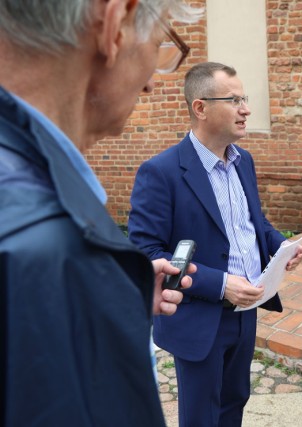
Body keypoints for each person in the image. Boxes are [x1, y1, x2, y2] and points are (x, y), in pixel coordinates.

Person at [0, 0, 202, 425]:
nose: (151, 84)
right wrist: (87, 292)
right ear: (115, 25)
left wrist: (112, 302)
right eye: (161, 42)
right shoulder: (52, 247)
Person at [128, 61, 302, 427]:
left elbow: (251, 222)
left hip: (247, 312)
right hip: (198, 316)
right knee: (201, 415)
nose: (246, 109)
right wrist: (222, 284)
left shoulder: (244, 162)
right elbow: (147, 254)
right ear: (200, 108)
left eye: (245, 99)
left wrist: (279, 245)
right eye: (234, 99)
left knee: (233, 402)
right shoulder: (160, 172)